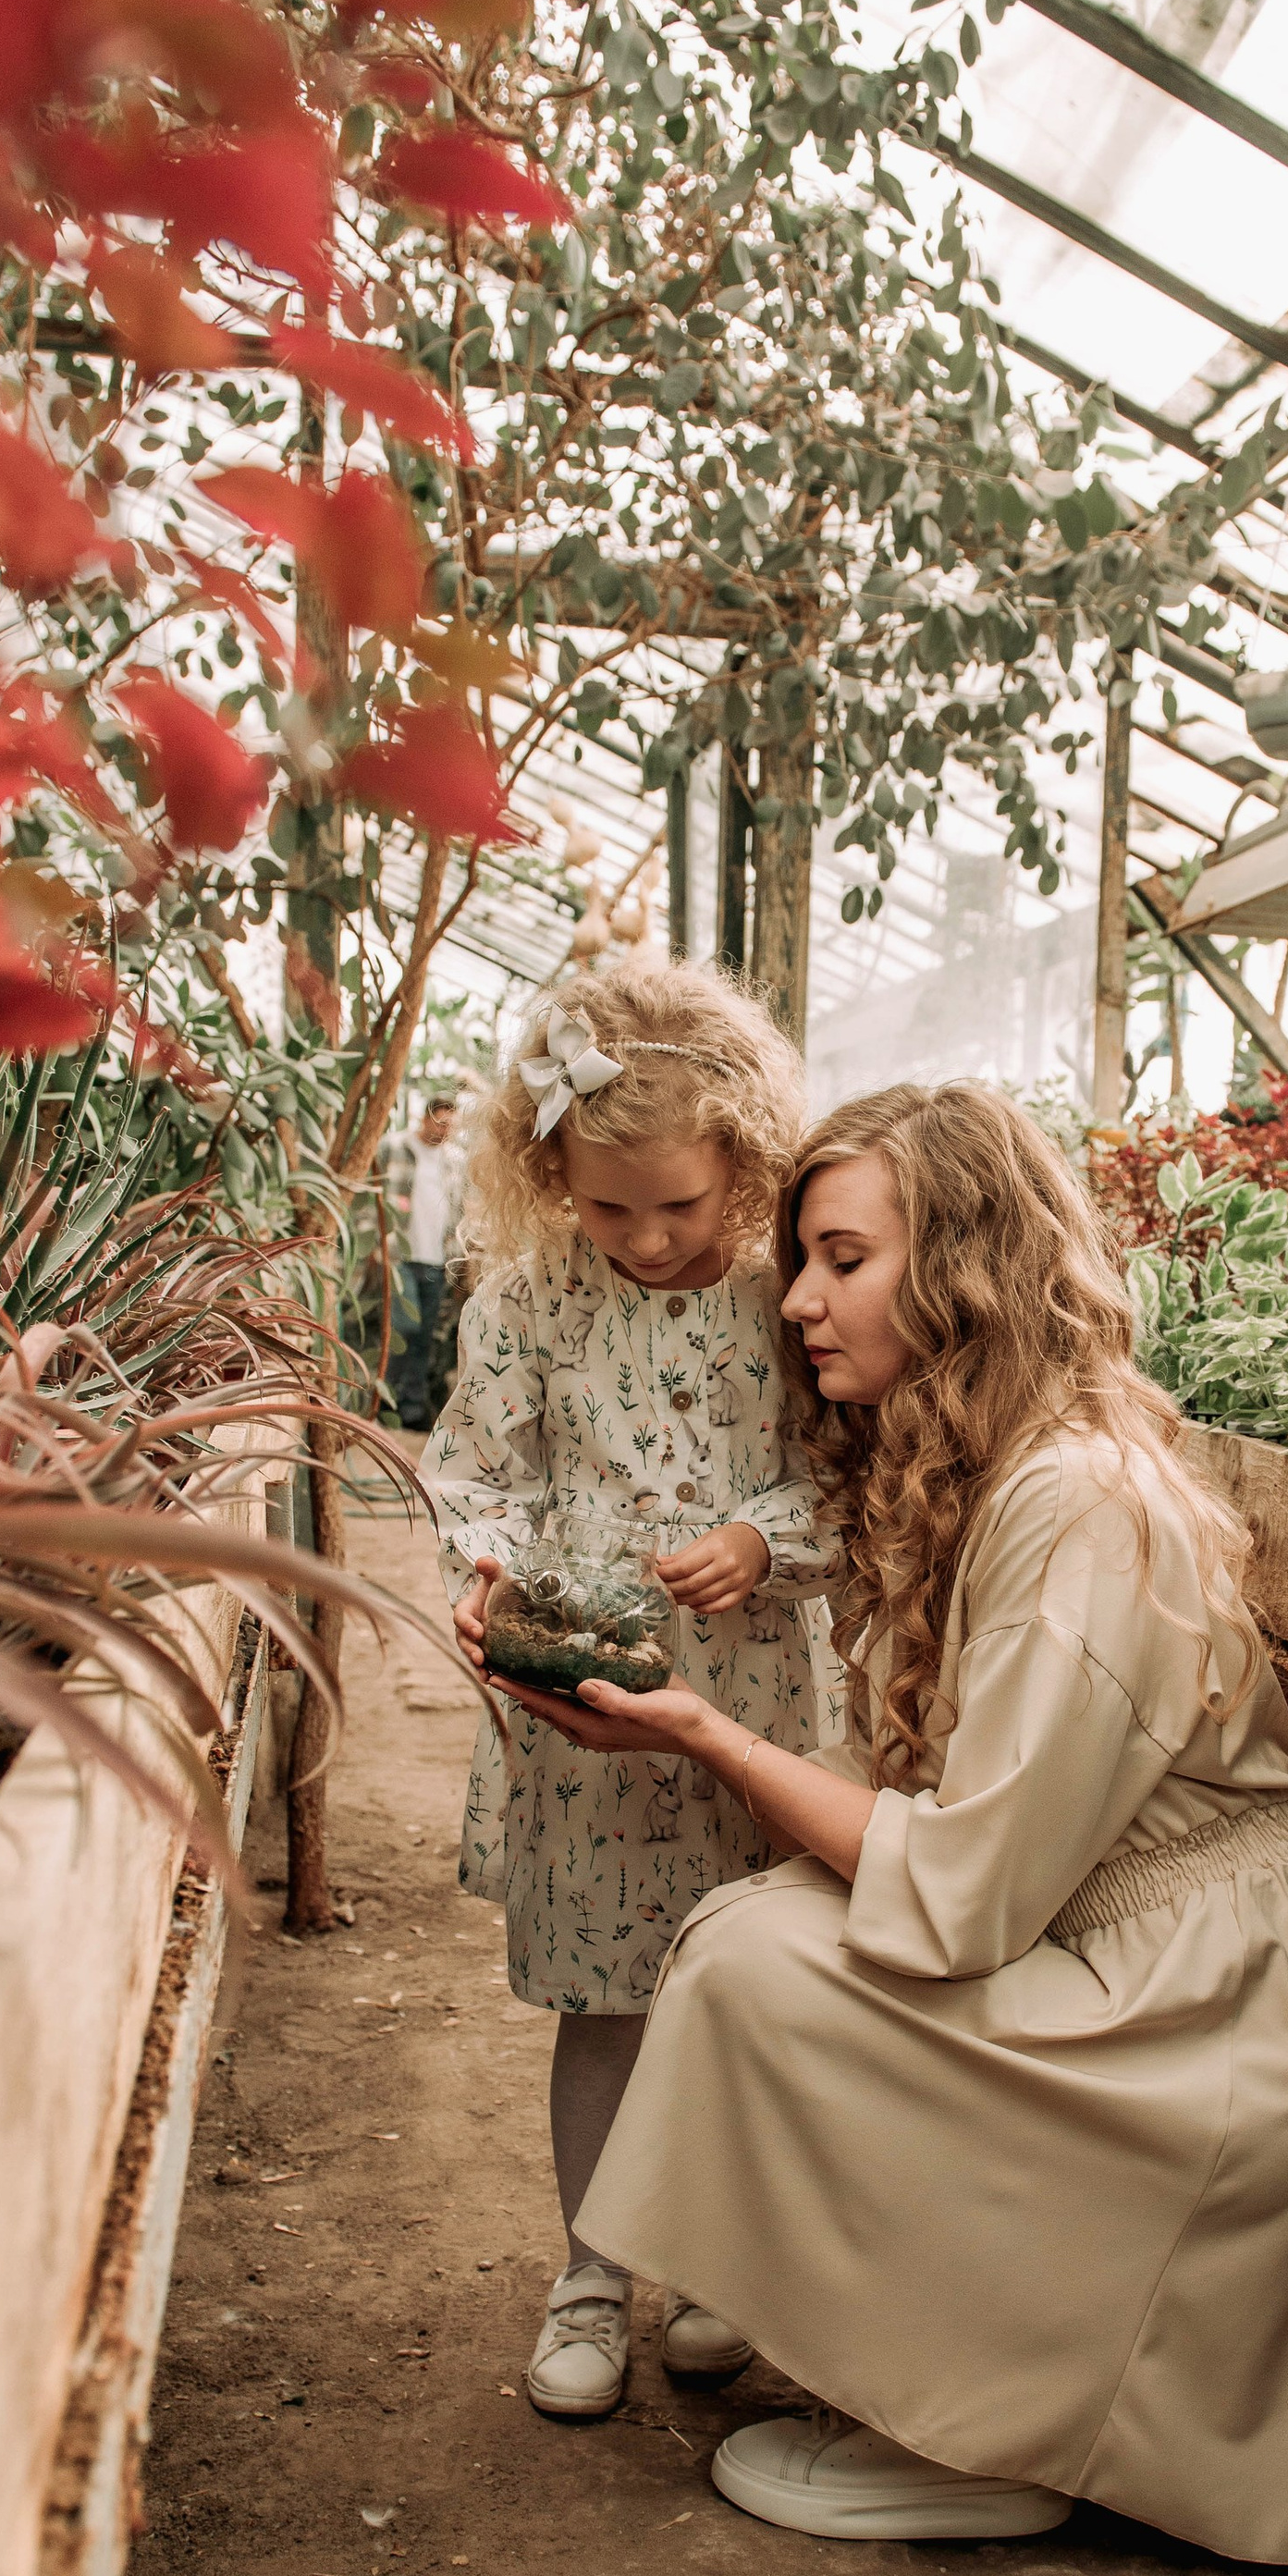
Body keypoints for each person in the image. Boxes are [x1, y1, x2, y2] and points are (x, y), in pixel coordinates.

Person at [529, 1080, 1288, 2561]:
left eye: (843, 1258)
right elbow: (913, 1788)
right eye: (804, 1260)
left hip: (1218, 2025)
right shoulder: (982, 1467)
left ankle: (996, 2428)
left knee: (761, 1966)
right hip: (1150, 1973)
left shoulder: (1078, 1500)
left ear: (964, 1269)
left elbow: (962, 1893)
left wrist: (707, 1736)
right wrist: (669, 1716)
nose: (799, 1300)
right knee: (761, 1925)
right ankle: (981, 2380)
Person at [426, 963, 833, 2423]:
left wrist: (761, 1539)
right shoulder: (527, 1305)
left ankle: (714, 2269)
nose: (650, 1237)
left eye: (682, 1204)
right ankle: (593, 2274)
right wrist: (490, 1570)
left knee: (745, 1989)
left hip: (753, 1708)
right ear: (553, 1176)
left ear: (748, 1163)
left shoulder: (787, 1304)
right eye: (611, 1208)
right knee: (605, 2004)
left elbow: (848, 1480)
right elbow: (478, 1468)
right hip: (585, 1717)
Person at [380, 1086, 466, 1433]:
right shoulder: (394, 1147)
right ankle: (384, 1400)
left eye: (451, 1126)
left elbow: (458, 1210)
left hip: (437, 1260)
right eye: (440, 1123)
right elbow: (373, 1196)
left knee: (424, 1337)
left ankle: (411, 1408)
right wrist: (376, 1244)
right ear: (425, 1117)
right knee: (403, 1327)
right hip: (400, 1256)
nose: (444, 1131)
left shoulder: (454, 1160)